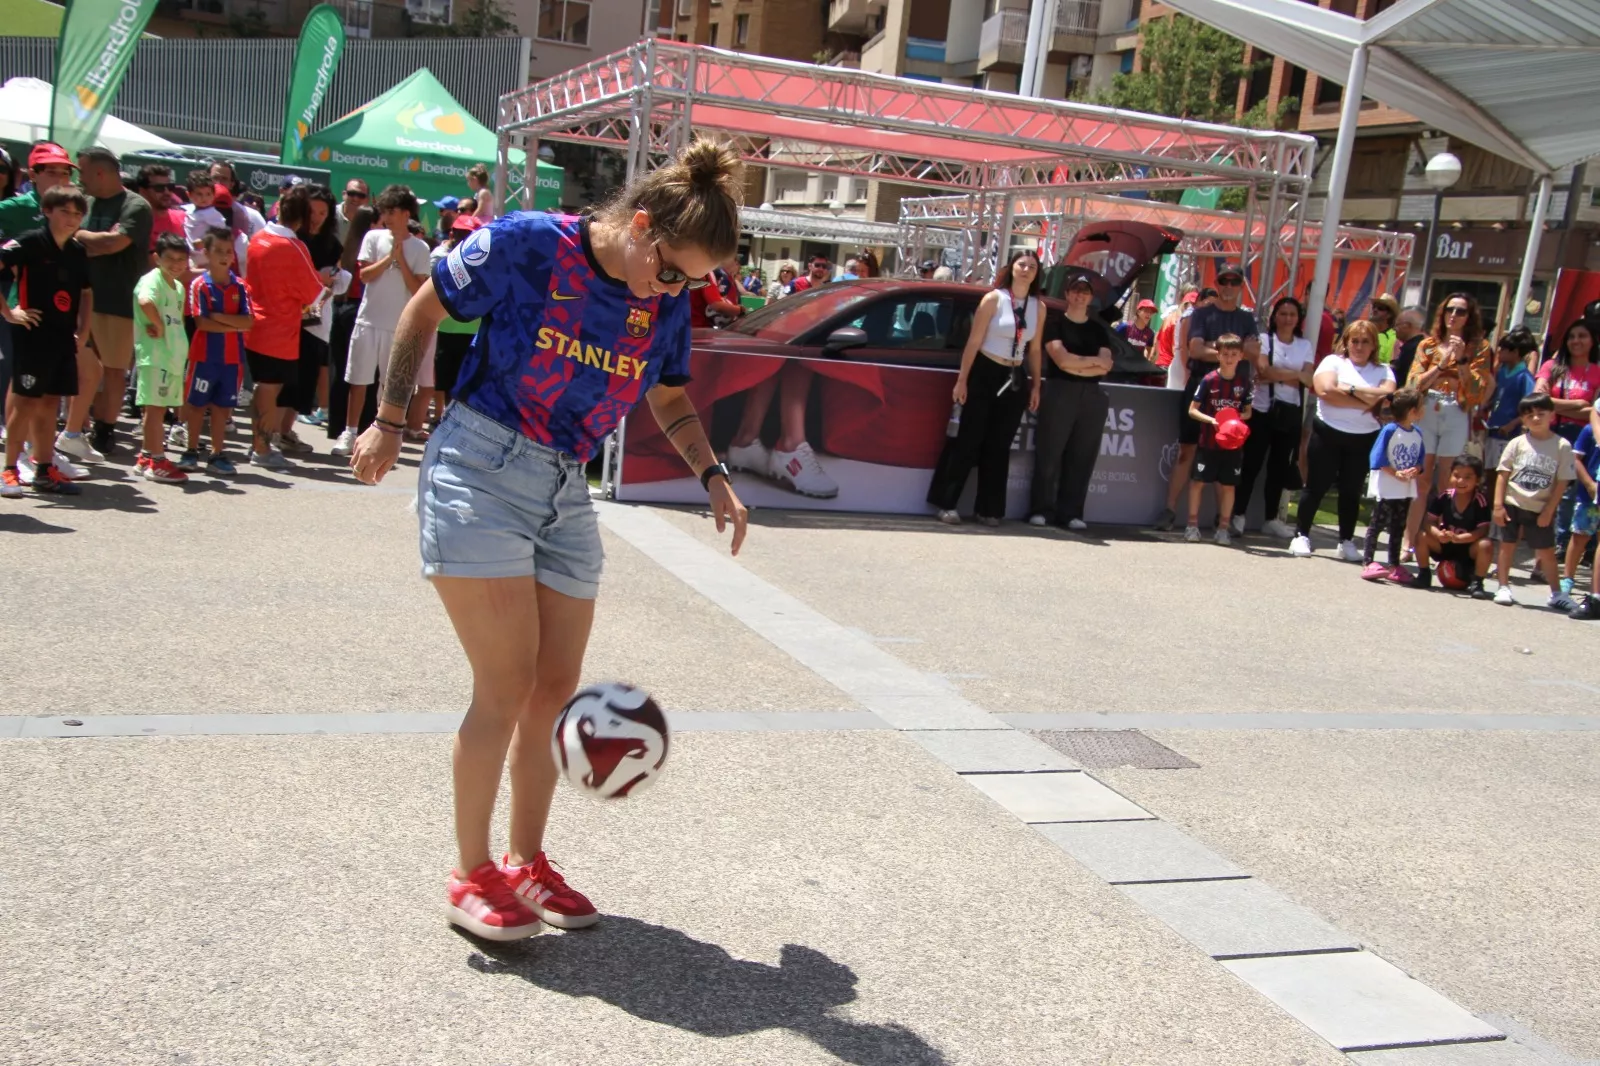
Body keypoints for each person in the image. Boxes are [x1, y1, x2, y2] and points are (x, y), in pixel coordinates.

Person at [346, 139, 749, 942]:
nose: (677, 292)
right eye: (673, 271)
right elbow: (426, 308)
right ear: (641, 226)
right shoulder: (532, 243)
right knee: (505, 681)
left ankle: (527, 860)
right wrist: (389, 421)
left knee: (552, 692)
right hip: (481, 464)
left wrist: (713, 474)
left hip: (566, 488)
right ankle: (471, 872)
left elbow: (668, 398)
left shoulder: (663, 300)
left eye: (695, 283)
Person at [927, 250, 1043, 526]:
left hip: (1015, 375)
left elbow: (1035, 350)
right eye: (1021, 264)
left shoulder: (1039, 307)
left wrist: (1036, 385)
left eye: (1032, 266)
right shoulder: (994, 299)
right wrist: (962, 379)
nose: (1026, 269)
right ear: (1011, 267)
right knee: (967, 438)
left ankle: (989, 508)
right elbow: (973, 342)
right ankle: (947, 503)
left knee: (1000, 444)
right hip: (985, 371)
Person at [0, 183, 91, 497]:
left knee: (51, 403)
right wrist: (10, 312)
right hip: (31, 334)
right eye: (64, 211)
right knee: (25, 402)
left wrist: (85, 327)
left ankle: (43, 468)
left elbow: (86, 293)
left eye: (77, 213)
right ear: (47, 211)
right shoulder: (29, 243)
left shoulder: (78, 251)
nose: (71, 218)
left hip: (63, 336)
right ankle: (9, 470)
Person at [333, 186, 430, 457]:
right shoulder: (374, 237)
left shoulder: (420, 247)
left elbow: (417, 289)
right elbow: (364, 276)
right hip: (368, 321)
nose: (386, 216)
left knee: (390, 387)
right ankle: (349, 433)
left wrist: (402, 260)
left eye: (391, 211)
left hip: (398, 327)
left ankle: (383, 436)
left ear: (405, 213)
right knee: (358, 381)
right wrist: (390, 258)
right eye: (384, 211)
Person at [1157, 266, 1256, 530]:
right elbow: (1196, 350)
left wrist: (1218, 349)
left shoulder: (1247, 318)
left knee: (1228, 451)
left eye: (1235, 282)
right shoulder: (1201, 313)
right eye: (1224, 281)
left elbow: (1255, 351)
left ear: (1240, 286)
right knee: (1187, 449)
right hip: (1201, 385)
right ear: (1217, 283)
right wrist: (1234, 351)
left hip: (1233, 393)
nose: (1229, 286)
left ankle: (1222, 520)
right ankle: (1169, 510)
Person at [1289, 320, 1397, 560]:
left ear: (1373, 346)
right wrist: (1367, 398)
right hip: (1327, 433)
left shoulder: (1384, 370)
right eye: (1354, 341)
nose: (1359, 346)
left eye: (1365, 341)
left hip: (1363, 439)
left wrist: (1346, 390)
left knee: (1351, 490)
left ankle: (1346, 541)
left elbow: (1387, 398)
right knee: (1316, 486)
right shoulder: (1333, 362)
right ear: (1346, 343)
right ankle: (1301, 535)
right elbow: (1325, 391)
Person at [70, 146, 153, 460]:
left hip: (117, 302)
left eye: (83, 171)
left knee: (113, 371)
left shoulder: (136, 206)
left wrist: (79, 235)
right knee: (83, 368)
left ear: (100, 173)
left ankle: (105, 430)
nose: (80, 178)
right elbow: (98, 242)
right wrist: (94, 239)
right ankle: (78, 427)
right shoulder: (85, 201)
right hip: (82, 299)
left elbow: (113, 243)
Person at [242, 184, 332, 470]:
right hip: (280, 332)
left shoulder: (258, 239)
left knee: (264, 388)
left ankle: (259, 444)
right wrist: (329, 285)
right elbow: (314, 295)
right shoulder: (295, 247)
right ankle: (261, 449)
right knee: (269, 390)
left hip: (255, 327)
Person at [1404, 293, 1494, 555]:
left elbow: (1477, 391)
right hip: (1427, 410)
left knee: (1449, 482)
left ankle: (1443, 543)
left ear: (1469, 317)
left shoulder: (1480, 348)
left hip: (1456, 410)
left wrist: (1462, 361)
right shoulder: (1428, 345)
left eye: (1461, 311)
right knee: (1421, 480)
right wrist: (1441, 365)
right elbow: (1414, 384)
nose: (1454, 315)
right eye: (1449, 310)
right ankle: (1409, 542)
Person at [1, 143, 79, 443]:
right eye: (52, 171)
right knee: (21, 383)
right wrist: (9, 311)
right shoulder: (13, 208)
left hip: (59, 312)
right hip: (22, 305)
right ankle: (16, 452)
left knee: (50, 390)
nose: (60, 177)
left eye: (65, 172)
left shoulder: (70, 207)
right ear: (32, 174)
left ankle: (42, 453)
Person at [1030, 269, 1113, 531]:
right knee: (1050, 452)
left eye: (1085, 291)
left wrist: (1078, 365)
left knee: (1082, 456)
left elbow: (1106, 366)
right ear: (1067, 294)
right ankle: (1041, 509)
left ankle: (1071, 513)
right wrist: (1089, 363)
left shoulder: (1098, 329)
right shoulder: (1055, 324)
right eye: (1076, 290)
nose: (1080, 295)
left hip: (1091, 396)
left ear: (1091, 298)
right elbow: (1061, 360)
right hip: (1059, 391)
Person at [1237, 296, 1315, 539]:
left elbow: (1309, 379)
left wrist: (1277, 375)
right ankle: (1238, 514)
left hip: (1290, 411)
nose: (1288, 318)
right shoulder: (1265, 340)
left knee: (1279, 467)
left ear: (1298, 318)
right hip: (1262, 410)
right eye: (1283, 313)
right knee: (1251, 464)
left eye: (1292, 314)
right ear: (1275, 317)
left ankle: (1271, 518)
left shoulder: (1304, 345)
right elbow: (1262, 370)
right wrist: (1294, 375)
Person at [1491, 394, 1576, 610]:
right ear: (1523, 419)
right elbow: (1503, 474)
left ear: (1552, 415)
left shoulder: (1562, 446)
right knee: (1507, 545)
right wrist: (1498, 505)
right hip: (1512, 502)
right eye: (1530, 415)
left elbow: (1562, 482)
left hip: (1540, 507)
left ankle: (1556, 593)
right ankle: (1503, 586)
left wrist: (1549, 510)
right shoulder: (1517, 443)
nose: (1536, 418)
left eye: (1541, 413)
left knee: (1546, 551)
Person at [180, 230, 251, 475]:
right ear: (206, 254)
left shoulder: (240, 286)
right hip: (204, 356)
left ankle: (216, 453)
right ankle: (190, 451)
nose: (224, 256)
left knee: (222, 408)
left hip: (232, 359)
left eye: (228, 251)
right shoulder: (199, 285)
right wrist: (234, 323)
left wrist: (219, 317)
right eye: (218, 251)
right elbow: (201, 323)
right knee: (197, 405)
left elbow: (249, 321)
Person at [1532, 319, 1600, 555]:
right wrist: (1578, 404)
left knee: (1577, 492)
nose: (1576, 341)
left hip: (1584, 437)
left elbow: (1595, 410)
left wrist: (1555, 404)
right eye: (1572, 336)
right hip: (1552, 433)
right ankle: (1552, 541)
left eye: (1582, 336)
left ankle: (1577, 543)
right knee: (1552, 489)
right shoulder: (1552, 366)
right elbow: (1538, 398)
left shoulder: (1598, 372)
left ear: (1592, 341)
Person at [131, 233, 193, 483]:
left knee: (157, 409)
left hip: (172, 358)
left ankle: (146, 455)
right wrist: (157, 324)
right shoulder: (152, 280)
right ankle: (157, 461)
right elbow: (145, 301)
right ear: (157, 258)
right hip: (155, 356)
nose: (176, 264)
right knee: (155, 410)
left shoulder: (178, 286)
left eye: (181, 259)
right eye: (170, 259)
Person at [290, 185, 349, 437]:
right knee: (285, 377)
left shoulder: (333, 245)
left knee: (307, 375)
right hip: (287, 315)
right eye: (312, 211)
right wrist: (317, 278)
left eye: (323, 213)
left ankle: (286, 431)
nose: (316, 217)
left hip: (314, 318)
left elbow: (334, 279)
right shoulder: (292, 239)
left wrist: (328, 284)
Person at [1184, 333, 1253, 544]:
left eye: (1234, 354)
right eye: (1225, 354)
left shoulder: (1244, 383)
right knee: (1198, 483)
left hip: (1233, 445)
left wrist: (1234, 418)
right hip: (1208, 442)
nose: (1229, 358)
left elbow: (1248, 412)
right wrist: (1213, 420)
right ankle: (1192, 526)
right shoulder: (1209, 380)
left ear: (1241, 355)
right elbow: (1192, 410)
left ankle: (1223, 528)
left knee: (1229, 485)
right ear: (1218, 355)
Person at [1361, 387, 1425, 581]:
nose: (1424, 411)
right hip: (1388, 487)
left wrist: (1417, 469)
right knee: (1377, 523)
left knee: (1398, 525)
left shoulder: (1418, 432)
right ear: (1412, 411)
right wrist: (1395, 472)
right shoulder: (1390, 430)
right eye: (1421, 407)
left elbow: (1420, 458)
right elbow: (1377, 457)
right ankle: (1368, 561)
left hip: (1405, 488)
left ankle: (1394, 564)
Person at [326, 204, 375, 441]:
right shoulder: (371, 249)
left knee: (343, 370)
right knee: (361, 374)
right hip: (360, 309)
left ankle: (337, 425)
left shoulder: (347, 249)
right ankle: (360, 426)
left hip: (342, 308)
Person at [1414, 454, 1493, 596]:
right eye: (1456, 475)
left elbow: (1482, 530)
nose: (1461, 480)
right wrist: (1438, 534)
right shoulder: (1444, 496)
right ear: (1450, 476)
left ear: (1478, 480)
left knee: (1486, 545)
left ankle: (1477, 583)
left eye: (1468, 477)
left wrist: (1460, 538)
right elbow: (1429, 521)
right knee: (1421, 536)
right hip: (1445, 544)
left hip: (1468, 548)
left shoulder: (1480, 501)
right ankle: (1424, 574)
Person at [428, 215, 482, 407]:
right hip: (444, 328)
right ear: (452, 233)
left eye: (470, 234)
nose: (465, 238)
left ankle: (450, 415)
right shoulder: (440, 258)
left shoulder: (485, 261)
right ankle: (441, 415)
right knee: (443, 378)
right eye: (461, 233)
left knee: (463, 381)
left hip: (472, 330)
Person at [1483, 327, 1538, 503]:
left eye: (1504, 349)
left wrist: (1513, 424)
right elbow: (1496, 397)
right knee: (1489, 473)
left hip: (1508, 435)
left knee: (1503, 475)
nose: (1500, 352)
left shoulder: (1525, 377)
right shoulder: (1501, 372)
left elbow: (1530, 407)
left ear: (1515, 352)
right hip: (1493, 429)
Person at [1558, 419, 1599, 602]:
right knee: (1579, 536)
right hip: (1588, 496)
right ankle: (1567, 578)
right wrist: (1589, 484)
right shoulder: (1590, 430)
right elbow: (1576, 459)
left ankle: (1595, 588)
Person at [137, 165, 185, 263]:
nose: (166, 192)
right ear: (142, 191)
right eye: (159, 188)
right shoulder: (138, 223)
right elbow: (160, 268)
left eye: (170, 187)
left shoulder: (184, 217)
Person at [181, 172, 227, 272]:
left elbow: (222, 233)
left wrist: (204, 241)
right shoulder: (188, 211)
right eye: (199, 194)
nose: (204, 198)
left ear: (214, 195)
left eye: (208, 194)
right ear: (189, 195)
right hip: (191, 258)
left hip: (206, 261)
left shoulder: (212, 213)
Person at [689, 256, 742, 329]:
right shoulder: (706, 272)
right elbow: (716, 304)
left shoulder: (686, 269)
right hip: (698, 328)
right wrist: (740, 310)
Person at [1390, 305, 1426, 388]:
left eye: (1396, 325)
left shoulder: (1412, 349)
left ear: (1407, 326)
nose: (1394, 329)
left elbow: (1401, 377)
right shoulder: (1422, 345)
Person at [1117, 298, 1157, 366]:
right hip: (1121, 366)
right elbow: (1112, 343)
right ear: (1138, 312)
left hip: (1137, 368)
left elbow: (1149, 350)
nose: (1149, 314)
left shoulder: (1150, 333)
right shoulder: (1125, 327)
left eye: (1151, 312)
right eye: (1146, 311)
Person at [1368, 294, 1399, 365]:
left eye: (1380, 308)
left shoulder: (1393, 338)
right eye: (1374, 307)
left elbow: (1388, 366)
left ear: (1389, 314)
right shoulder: (1365, 331)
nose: (1375, 310)